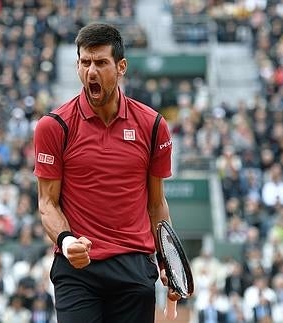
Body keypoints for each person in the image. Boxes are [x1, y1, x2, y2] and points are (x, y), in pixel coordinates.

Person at [33, 23, 178, 323]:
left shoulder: (152, 126)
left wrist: (167, 260)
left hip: (135, 268)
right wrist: (66, 241)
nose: (91, 72)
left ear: (121, 67)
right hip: (78, 269)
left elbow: (156, 204)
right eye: (85, 63)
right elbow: (47, 202)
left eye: (100, 63)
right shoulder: (53, 127)